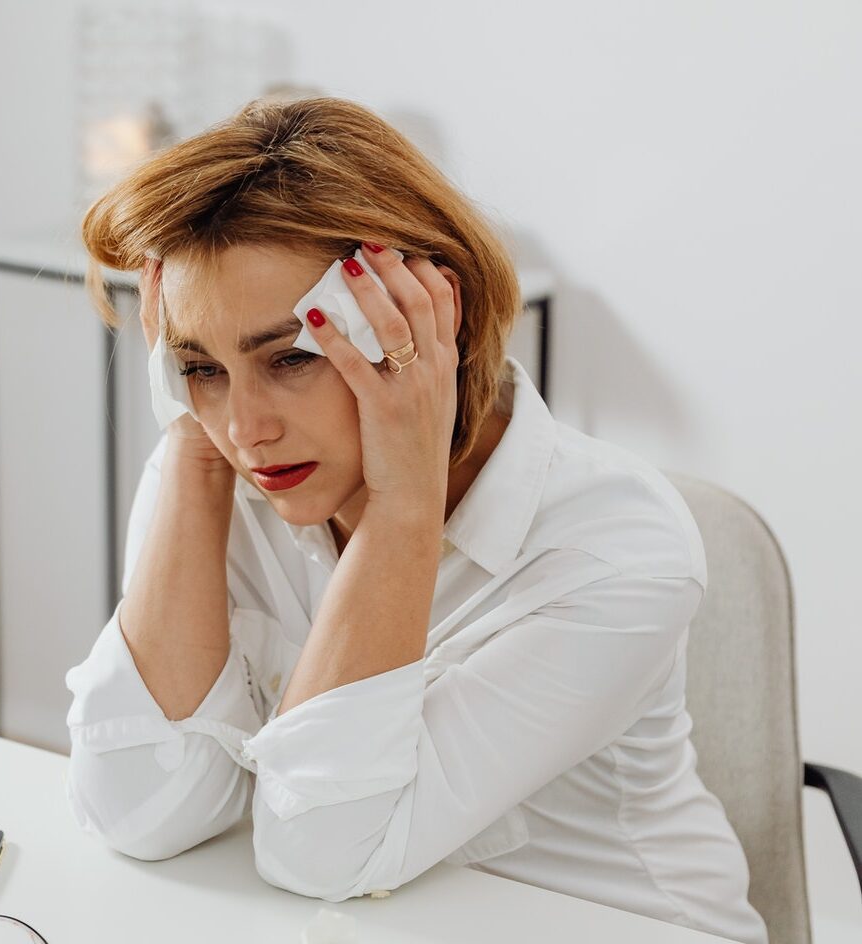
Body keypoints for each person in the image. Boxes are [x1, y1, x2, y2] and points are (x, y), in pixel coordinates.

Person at [64, 96, 768, 944]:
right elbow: (139, 813)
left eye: (290, 357)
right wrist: (189, 454)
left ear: (429, 315)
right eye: (200, 366)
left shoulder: (616, 550)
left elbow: (321, 853)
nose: (245, 428)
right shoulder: (219, 466)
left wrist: (403, 505)